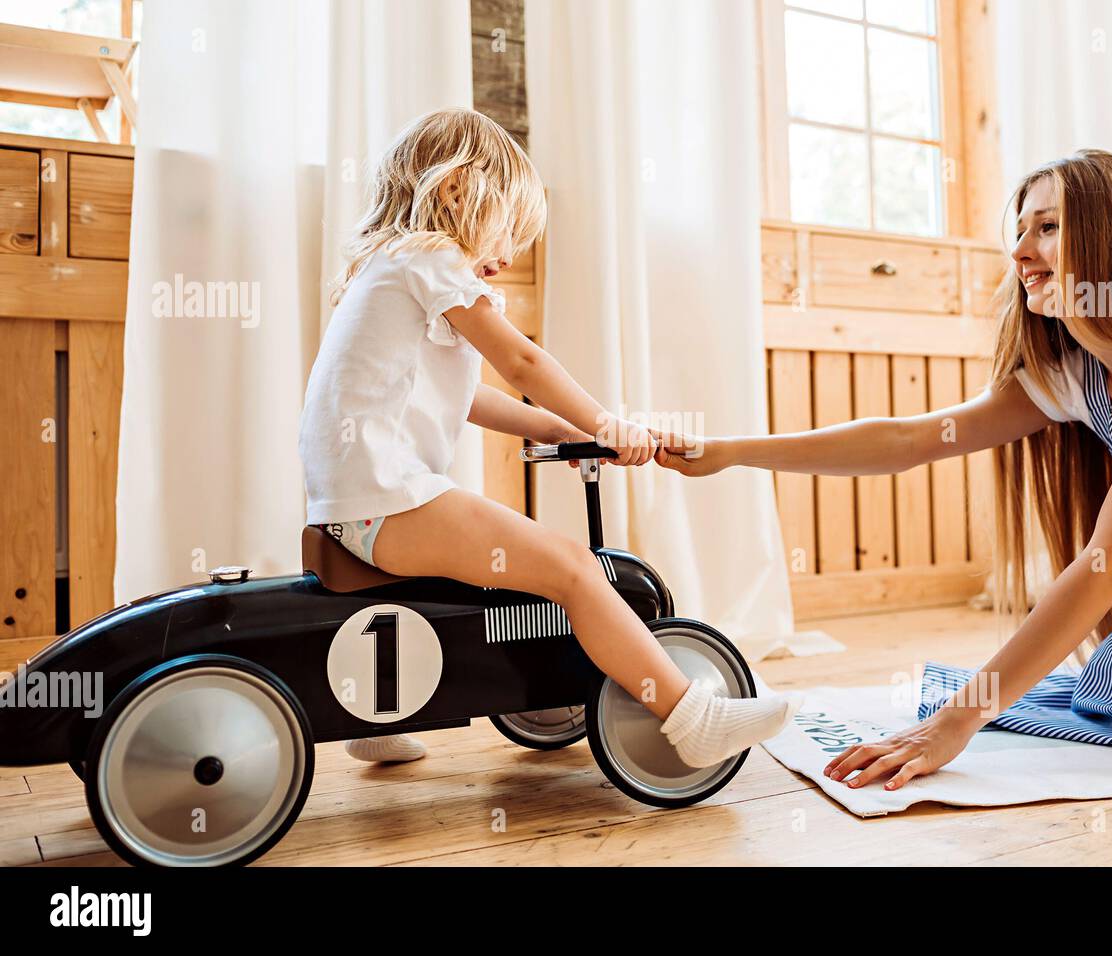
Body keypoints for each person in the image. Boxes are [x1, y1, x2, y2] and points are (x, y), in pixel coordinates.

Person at [658, 149, 1112, 790]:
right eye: (1019, 232)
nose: (1022, 252)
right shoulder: (1079, 374)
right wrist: (731, 452)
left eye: (1048, 228)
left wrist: (956, 721)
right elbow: (908, 439)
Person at [299, 108, 800, 766]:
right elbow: (524, 364)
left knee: (505, 573)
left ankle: (377, 721)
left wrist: (570, 432)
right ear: (457, 192)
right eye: (507, 229)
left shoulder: (390, 269)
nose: (506, 256)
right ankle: (689, 716)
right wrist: (604, 423)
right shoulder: (431, 257)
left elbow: (470, 396)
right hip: (388, 496)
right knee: (571, 567)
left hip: (358, 504)